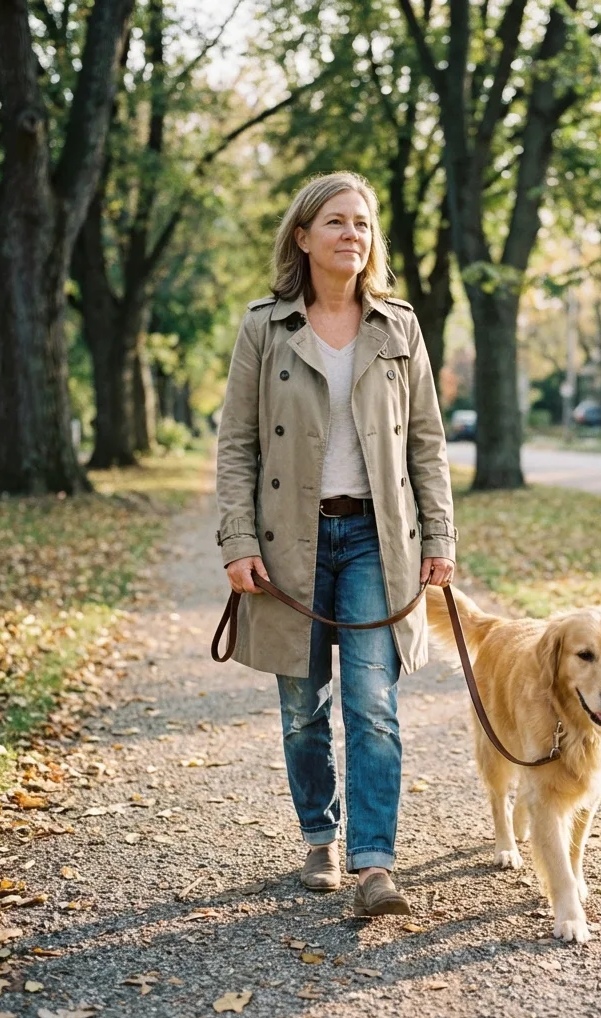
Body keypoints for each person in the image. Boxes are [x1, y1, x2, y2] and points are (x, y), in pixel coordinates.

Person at [215, 171, 457, 917]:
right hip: (290, 541)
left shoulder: (400, 327)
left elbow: (427, 443)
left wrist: (439, 533)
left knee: (374, 704)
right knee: (303, 707)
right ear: (303, 236)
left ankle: (375, 864)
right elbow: (237, 446)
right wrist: (236, 539)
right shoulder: (265, 327)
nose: (352, 234)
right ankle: (319, 834)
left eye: (362, 223)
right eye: (335, 222)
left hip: (374, 540)